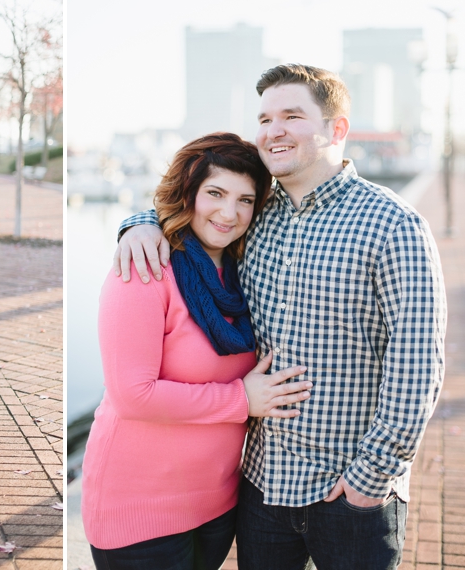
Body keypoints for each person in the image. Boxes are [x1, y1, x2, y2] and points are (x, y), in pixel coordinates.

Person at [114, 64, 447, 569]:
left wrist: (369, 479)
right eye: (265, 117)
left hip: (349, 494)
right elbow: (192, 218)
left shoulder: (393, 225)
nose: (273, 130)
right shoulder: (252, 215)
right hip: (262, 485)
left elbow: (417, 365)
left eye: (292, 116)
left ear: (337, 128)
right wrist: (137, 224)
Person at [83, 132, 315, 570]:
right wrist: (242, 400)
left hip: (216, 505)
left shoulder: (240, 268)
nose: (230, 213)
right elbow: (134, 395)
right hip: (140, 509)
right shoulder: (146, 267)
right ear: (187, 191)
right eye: (215, 193)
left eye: (246, 200)